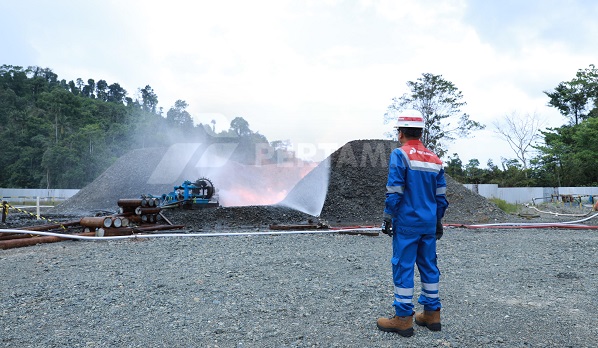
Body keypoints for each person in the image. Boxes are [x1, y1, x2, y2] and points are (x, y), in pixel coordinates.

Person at [376, 113, 449, 337]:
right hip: (428, 223)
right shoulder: (435, 159)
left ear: (401, 133)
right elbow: (441, 197)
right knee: (429, 266)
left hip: (407, 222)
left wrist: (388, 216)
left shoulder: (400, 154)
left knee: (403, 266)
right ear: (421, 133)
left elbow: (395, 189)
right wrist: (437, 220)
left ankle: (403, 318)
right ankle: (432, 314)